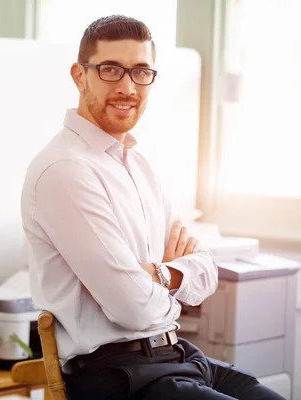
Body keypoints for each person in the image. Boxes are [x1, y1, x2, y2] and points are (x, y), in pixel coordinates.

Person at [20, 15, 284, 400]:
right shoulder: (66, 170)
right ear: (80, 76)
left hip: (175, 355)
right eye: (111, 70)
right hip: (116, 374)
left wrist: (158, 274)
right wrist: (173, 282)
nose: (128, 87)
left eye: (141, 72)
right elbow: (134, 310)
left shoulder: (138, 164)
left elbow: (206, 268)